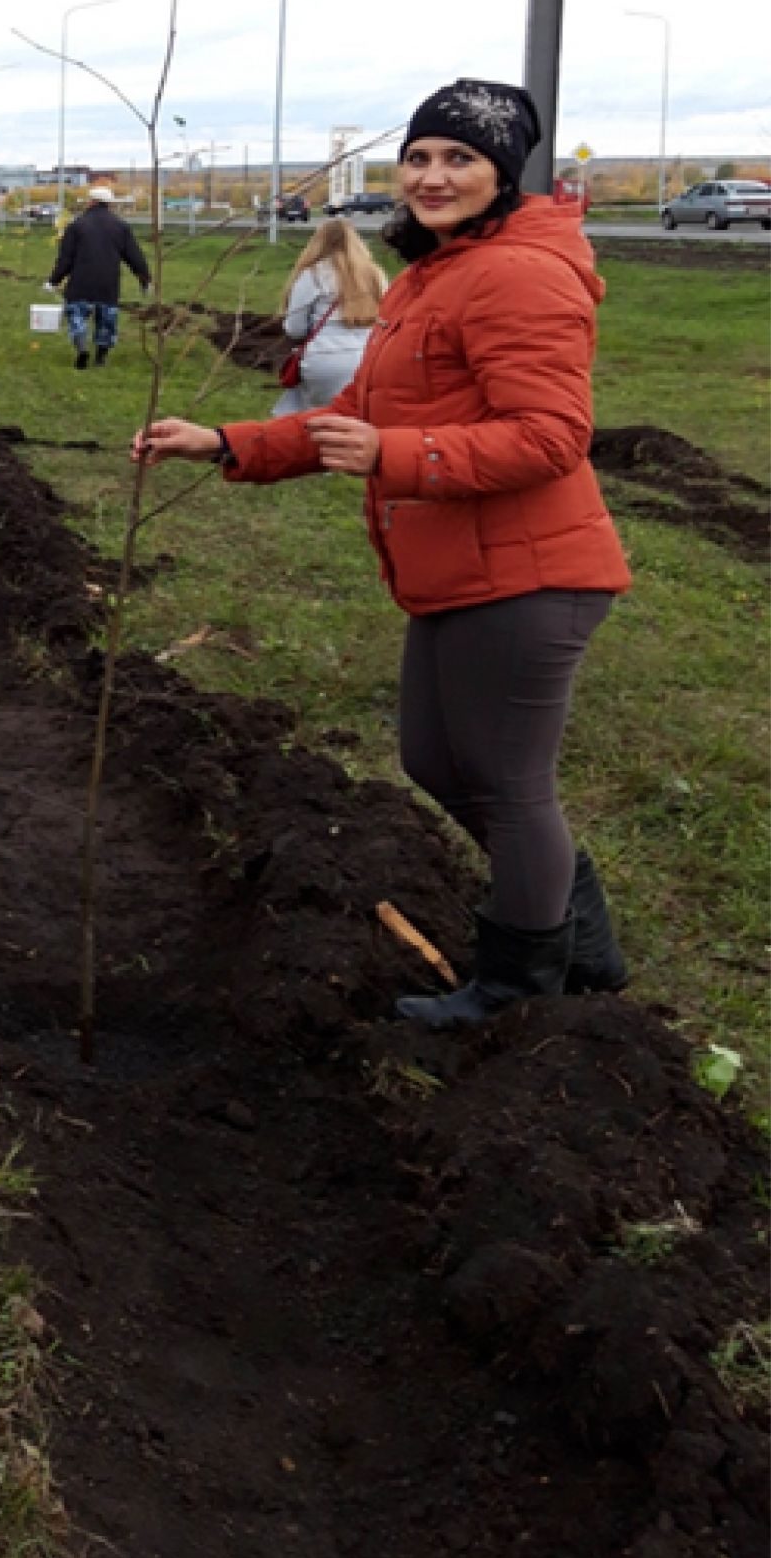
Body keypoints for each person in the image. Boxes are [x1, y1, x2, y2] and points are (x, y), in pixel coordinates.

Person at [136, 80, 631, 1027]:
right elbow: (359, 416)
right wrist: (227, 440)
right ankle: (580, 934)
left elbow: (552, 434)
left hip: (530, 574)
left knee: (505, 777)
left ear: (502, 172)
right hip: (461, 565)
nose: (432, 176)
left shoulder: (518, 274)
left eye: (460, 159)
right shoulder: (433, 273)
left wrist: (401, 457)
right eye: (419, 157)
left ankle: (519, 987)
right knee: (436, 760)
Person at [271, 217, 387, 417]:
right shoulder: (375, 274)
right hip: (372, 357)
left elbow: (294, 328)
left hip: (325, 358)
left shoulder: (314, 274)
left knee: (317, 420)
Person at [50, 186, 151, 370]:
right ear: (110, 204)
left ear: (91, 202)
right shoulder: (121, 227)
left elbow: (66, 258)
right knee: (106, 322)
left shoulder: (76, 226)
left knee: (77, 318)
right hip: (108, 284)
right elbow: (134, 256)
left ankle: (81, 349)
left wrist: (53, 281)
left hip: (80, 283)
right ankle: (100, 358)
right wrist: (144, 278)